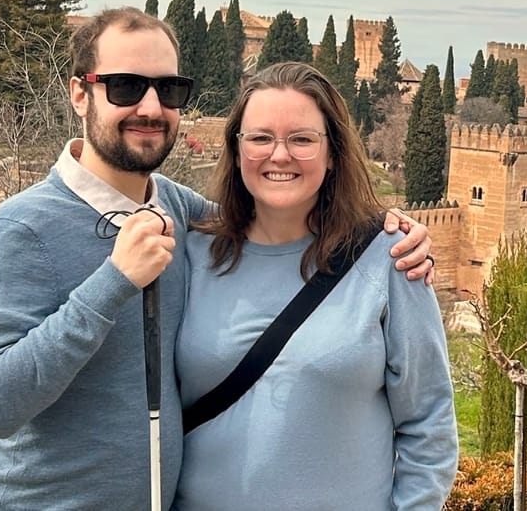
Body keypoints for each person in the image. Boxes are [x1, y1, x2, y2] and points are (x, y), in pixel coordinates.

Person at [0, 8, 434, 510]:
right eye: (125, 86)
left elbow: (276, 216)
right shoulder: (21, 228)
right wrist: (113, 281)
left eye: (168, 90)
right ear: (80, 93)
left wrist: (385, 230)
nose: (150, 107)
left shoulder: (178, 210)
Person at [172, 62, 457, 509]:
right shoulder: (190, 255)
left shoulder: (391, 258)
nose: (279, 155)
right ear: (237, 150)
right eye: (260, 138)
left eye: (302, 139)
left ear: (332, 153)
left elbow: (429, 422)